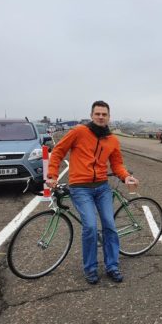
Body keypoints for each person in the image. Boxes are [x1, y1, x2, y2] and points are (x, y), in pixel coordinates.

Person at [46, 100, 139, 284]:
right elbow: (58, 151)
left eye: (104, 114)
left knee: (110, 226)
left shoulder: (112, 140)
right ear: (91, 115)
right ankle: (90, 269)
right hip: (80, 188)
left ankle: (112, 266)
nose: (101, 117)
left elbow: (117, 164)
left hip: (102, 187)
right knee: (89, 227)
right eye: (98, 114)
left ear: (109, 117)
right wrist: (52, 175)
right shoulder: (79, 132)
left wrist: (126, 176)